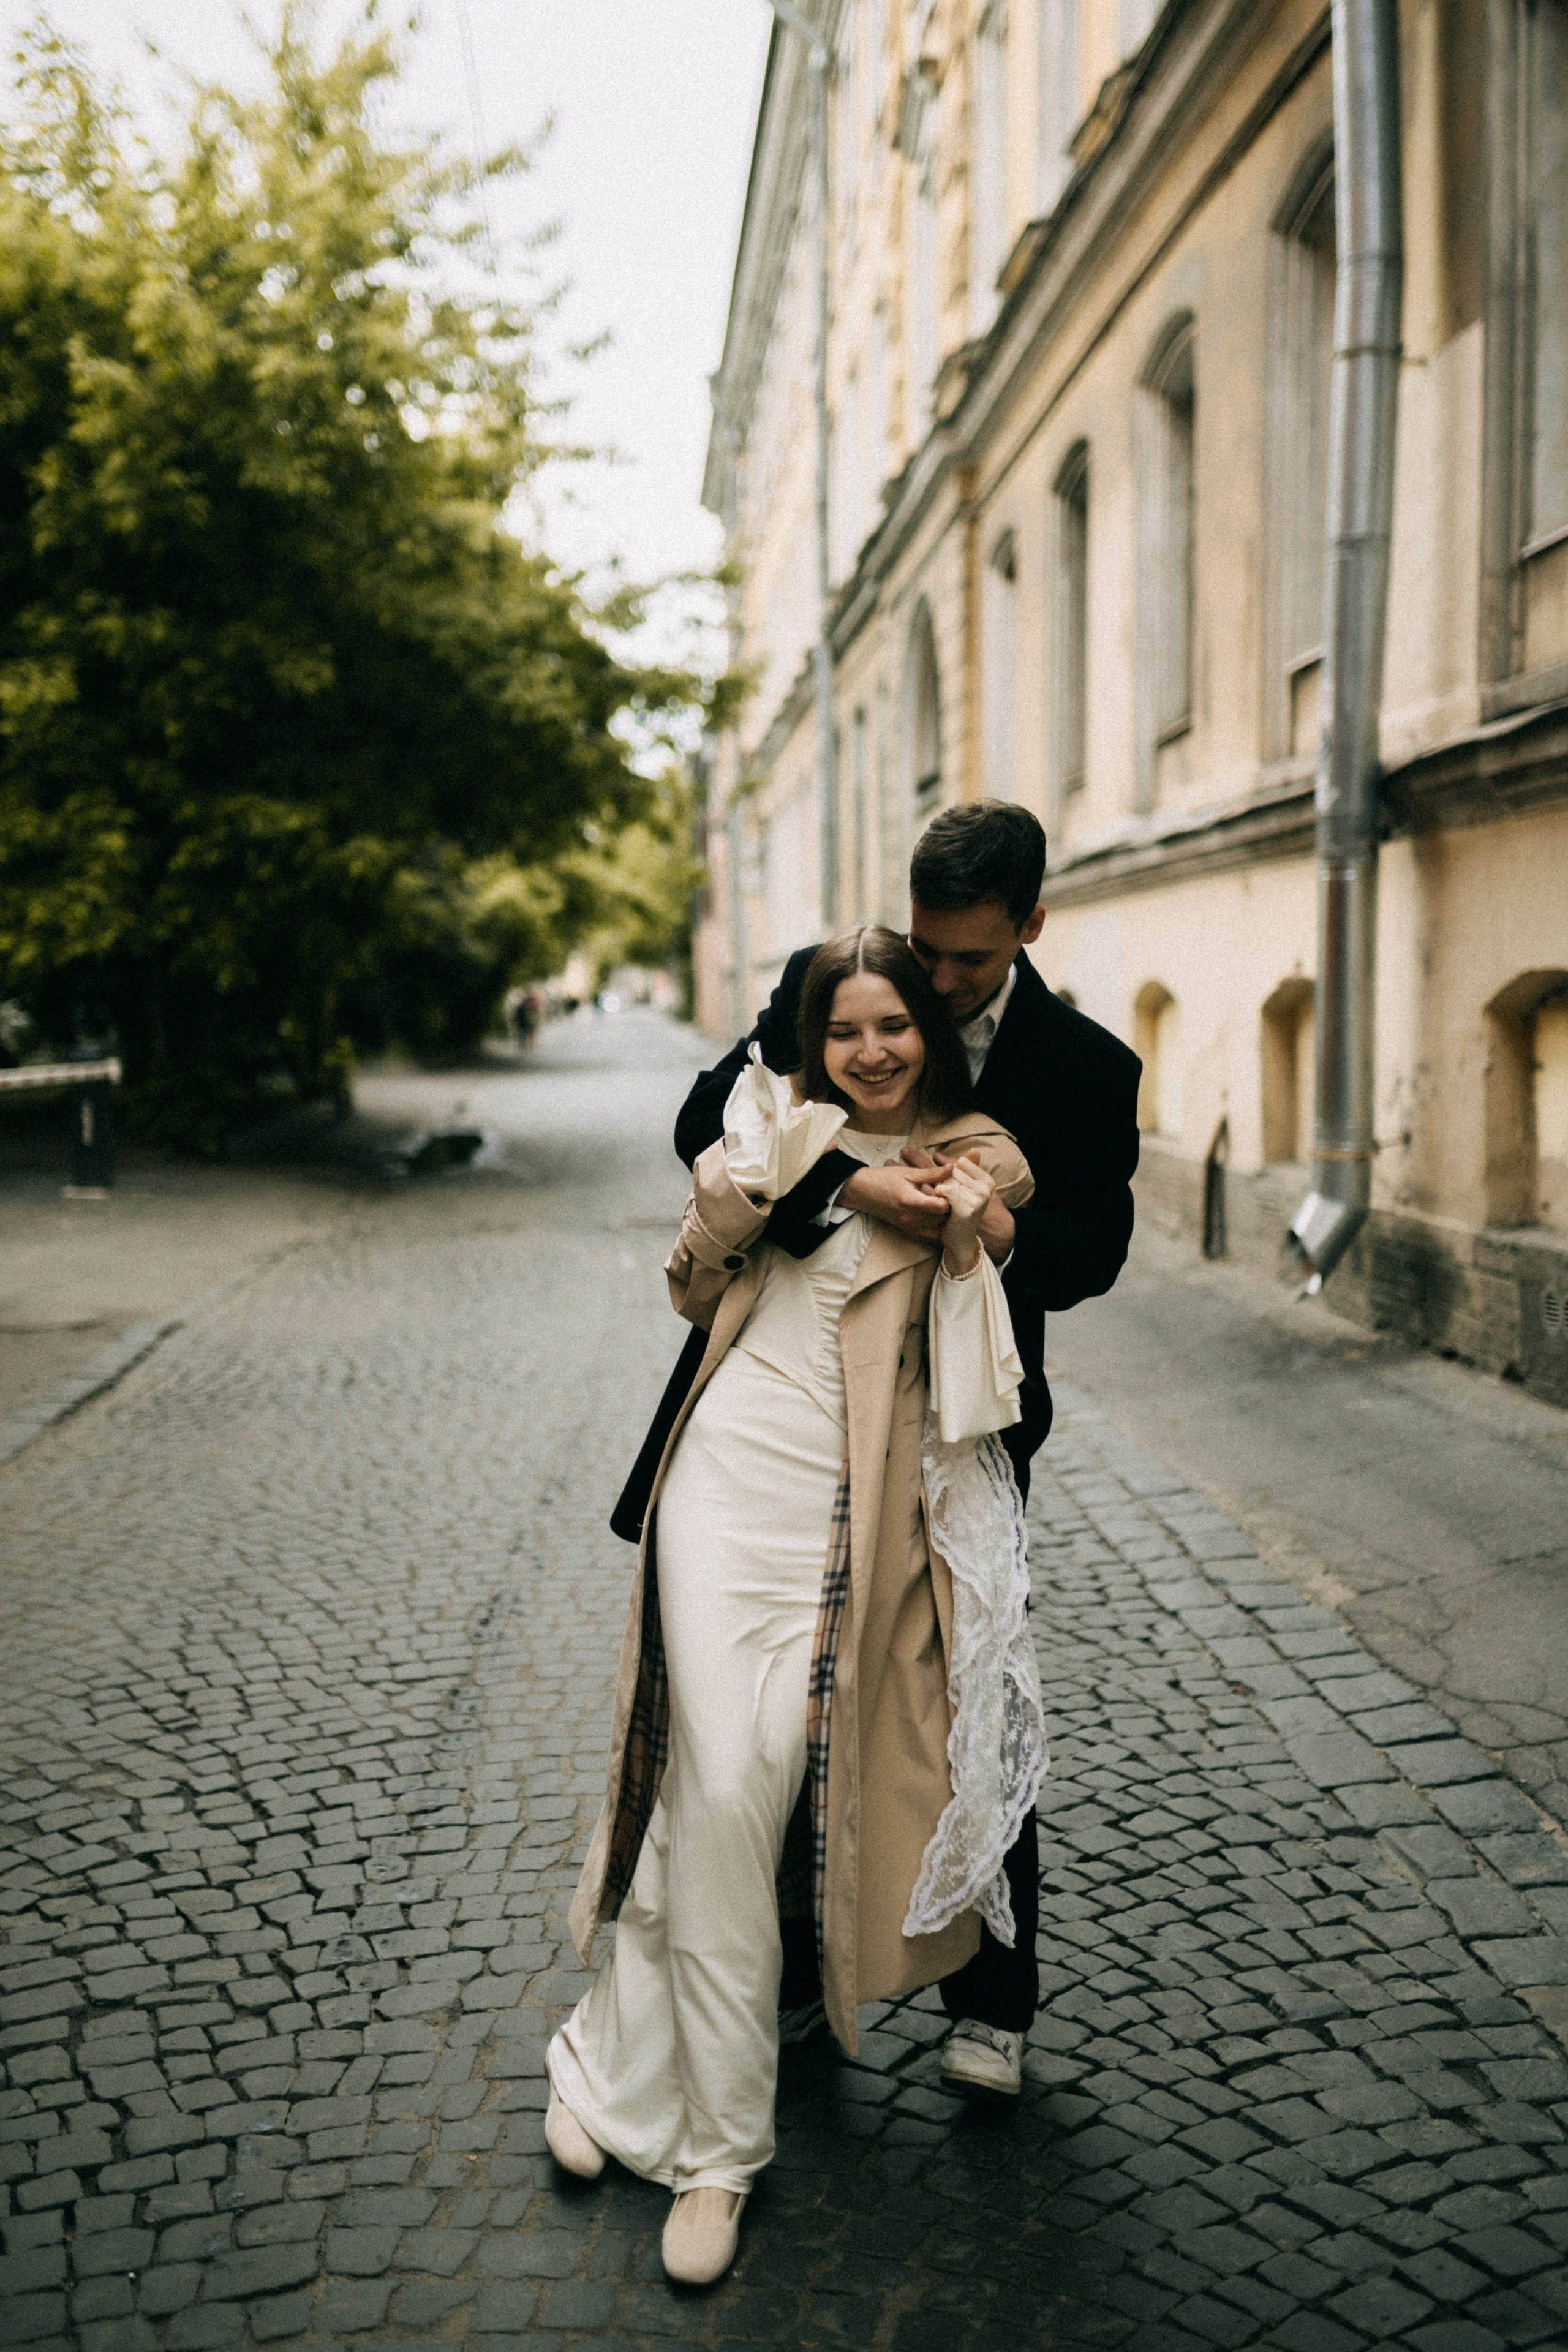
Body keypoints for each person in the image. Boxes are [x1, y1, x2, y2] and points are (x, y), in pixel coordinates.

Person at [548, 927, 1044, 2285]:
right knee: (718, 1781)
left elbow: (999, 1218)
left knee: (748, 1789)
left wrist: (943, 1205)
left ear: (923, 1036)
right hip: (724, 1480)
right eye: (845, 1030)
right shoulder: (773, 1117)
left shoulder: (972, 1139)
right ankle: (718, 2154)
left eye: (893, 1026)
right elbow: (691, 1277)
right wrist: (803, 1175)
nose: (872, 1049)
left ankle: (601, 2060)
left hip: (845, 1514)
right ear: (810, 1038)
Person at [634, 801, 1141, 2099]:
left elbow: (1094, 1248)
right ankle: (801, 1981)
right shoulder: (843, 993)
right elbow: (712, 1132)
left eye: (968, 959)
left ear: (1029, 926)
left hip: (958, 1420)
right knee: (800, 1708)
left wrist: (999, 1231)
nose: (939, 980)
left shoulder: (1083, 1067)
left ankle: (992, 2005)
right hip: (800, 1423)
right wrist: (848, 1180)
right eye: (928, 948)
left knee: (973, 1693)